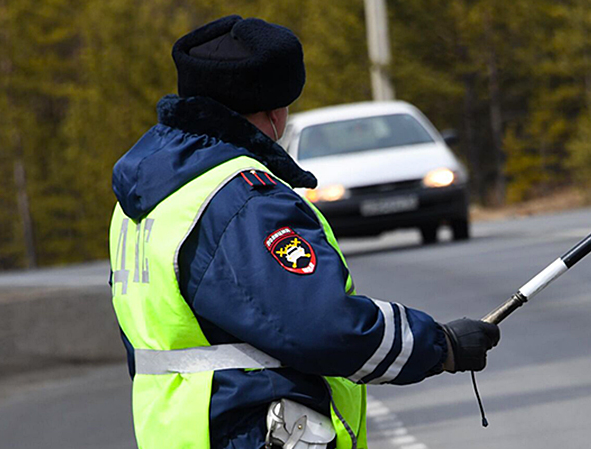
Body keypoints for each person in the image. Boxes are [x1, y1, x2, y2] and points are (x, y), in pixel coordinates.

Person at [108, 15, 500, 449]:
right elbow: (325, 326)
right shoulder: (243, 199)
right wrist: (440, 345)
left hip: (175, 431)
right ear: (275, 110)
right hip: (246, 430)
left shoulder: (145, 197)